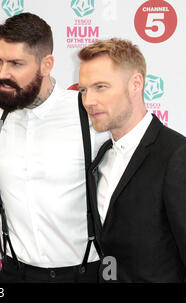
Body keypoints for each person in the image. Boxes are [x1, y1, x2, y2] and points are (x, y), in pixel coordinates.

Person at [0, 12, 109, 282]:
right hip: (14, 273)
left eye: (16, 63)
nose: (2, 73)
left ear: (47, 64)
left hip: (82, 273)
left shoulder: (87, 113)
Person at [78, 38, 186, 282]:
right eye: (84, 90)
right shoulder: (102, 156)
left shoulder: (176, 154)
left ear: (136, 83)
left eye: (101, 87)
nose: (88, 101)